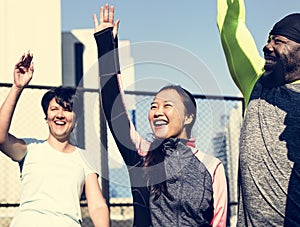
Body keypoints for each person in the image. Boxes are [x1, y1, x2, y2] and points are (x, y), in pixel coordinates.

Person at [94, 4, 228, 227]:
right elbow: (114, 107)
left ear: (188, 117)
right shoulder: (142, 154)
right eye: (153, 106)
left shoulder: (212, 166)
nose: (157, 111)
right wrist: (107, 45)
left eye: (168, 105)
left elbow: (219, 221)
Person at [0, 52, 110, 227]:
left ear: (76, 119)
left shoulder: (85, 159)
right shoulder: (30, 149)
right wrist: (17, 87)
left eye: (67, 109)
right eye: (54, 109)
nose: (60, 115)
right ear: (46, 117)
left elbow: (97, 206)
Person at [217, 0, 300, 226]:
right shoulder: (257, 84)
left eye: (278, 41)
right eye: (268, 39)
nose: (267, 46)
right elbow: (231, 28)